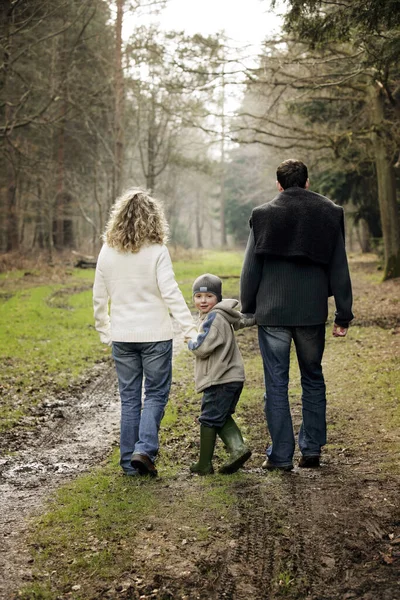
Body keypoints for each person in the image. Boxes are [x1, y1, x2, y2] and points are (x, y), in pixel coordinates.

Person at [240, 159, 354, 471]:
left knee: (275, 383)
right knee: (313, 378)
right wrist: (343, 314)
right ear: (306, 182)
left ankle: (279, 456)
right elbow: (339, 266)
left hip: (272, 313)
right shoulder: (330, 212)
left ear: (279, 184)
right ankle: (312, 449)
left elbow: (251, 268)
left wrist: (248, 308)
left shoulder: (262, 215)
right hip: (311, 313)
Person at [93, 188, 197, 478]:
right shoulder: (157, 251)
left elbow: (98, 296)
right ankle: (144, 449)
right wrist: (189, 330)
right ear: (153, 218)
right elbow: (171, 293)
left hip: (123, 336)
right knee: (155, 394)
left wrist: (105, 330)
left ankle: (129, 462)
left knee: (129, 399)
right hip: (155, 335)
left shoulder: (106, 251)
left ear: (118, 218)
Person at [187, 273, 254, 475]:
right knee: (220, 416)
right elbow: (243, 321)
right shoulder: (222, 315)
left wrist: (190, 340)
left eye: (209, 296)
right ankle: (237, 449)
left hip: (220, 378)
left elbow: (202, 347)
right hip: (231, 377)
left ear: (218, 298)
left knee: (208, 418)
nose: (203, 301)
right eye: (198, 297)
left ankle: (205, 464)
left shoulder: (214, 318)